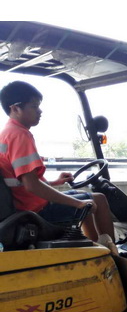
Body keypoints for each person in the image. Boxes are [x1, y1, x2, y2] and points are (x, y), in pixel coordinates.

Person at [0, 81, 115, 245]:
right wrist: (78, 203)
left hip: (26, 205)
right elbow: (32, 185)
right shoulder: (20, 135)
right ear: (15, 109)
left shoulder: (7, 133)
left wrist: (55, 182)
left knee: (88, 200)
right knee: (99, 200)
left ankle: (94, 246)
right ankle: (114, 254)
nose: (40, 111)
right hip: (37, 211)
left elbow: (22, 180)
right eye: (34, 106)